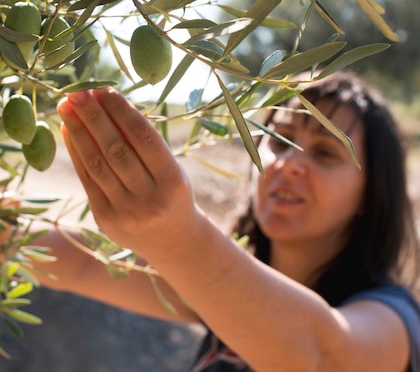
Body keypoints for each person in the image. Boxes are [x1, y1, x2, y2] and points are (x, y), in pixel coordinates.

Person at [1, 70, 420, 371]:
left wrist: (181, 239)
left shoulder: (395, 320)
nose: (289, 163)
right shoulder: (218, 286)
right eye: (278, 140)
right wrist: (10, 235)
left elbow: (318, 354)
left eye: (325, 153)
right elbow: (84, 262)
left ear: (371, 194)